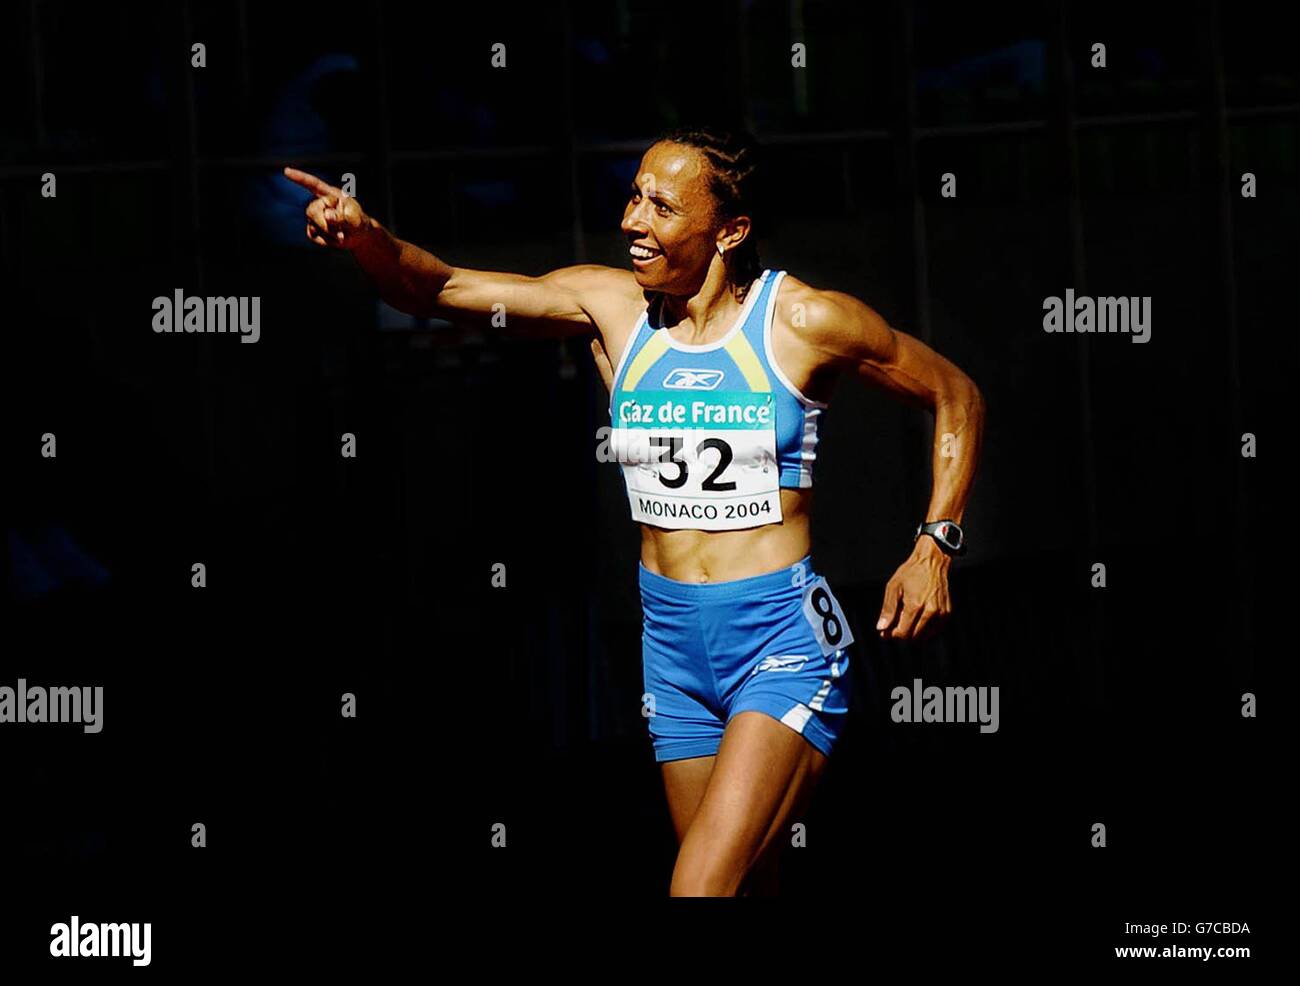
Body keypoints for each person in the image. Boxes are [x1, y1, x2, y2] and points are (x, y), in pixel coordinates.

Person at [283, 125, 985, 897]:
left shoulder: (803, 323)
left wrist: (935, 545)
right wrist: (371, 240)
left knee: (699, 888)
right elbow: (440, 289)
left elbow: (956, 395)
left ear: (730, 230)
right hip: (673, 649)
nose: (632, 221)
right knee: (749, 884)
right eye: (632, 196)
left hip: (780, 642)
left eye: (660, 206)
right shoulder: (612, 308)